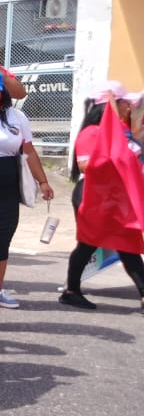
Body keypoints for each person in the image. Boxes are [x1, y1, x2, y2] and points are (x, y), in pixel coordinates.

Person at [0, 69, 55, 308]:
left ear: (2, 93)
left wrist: (43, 181)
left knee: (1, 237)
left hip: (7, 187)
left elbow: (28, 151)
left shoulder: (16, 117)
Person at [60, 82, 144, 310]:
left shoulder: (126, 132)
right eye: (126, 103)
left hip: (117, 196)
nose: (130, 108)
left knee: (128, 243)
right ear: (111, 106)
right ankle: (71, 290)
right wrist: (119, 161)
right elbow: (85, 164)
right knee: (88, 244)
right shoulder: (92, 132)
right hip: (94, 195)